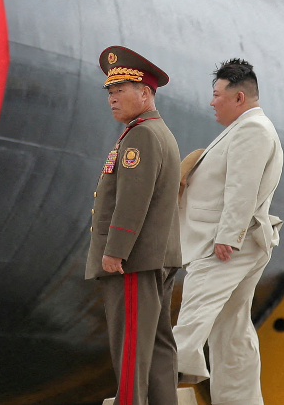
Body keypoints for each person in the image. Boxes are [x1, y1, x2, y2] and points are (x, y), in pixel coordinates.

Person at [173, 58, 283, 405]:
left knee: (192, 320)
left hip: (224, 246)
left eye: (217, 95)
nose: (211, 102)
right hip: (238, 241)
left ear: (239, 97)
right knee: (232, 333)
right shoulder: (246, 127)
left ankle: (149, 391)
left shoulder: (252, 130)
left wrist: (228, 237)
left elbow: (242, 186)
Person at [86, 46, 183, 405]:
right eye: (109, 92)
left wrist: (115, 251)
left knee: (131, 349)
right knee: (156, 347)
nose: (112, 98)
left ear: (145, 93)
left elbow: (133, 199)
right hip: (156, 256)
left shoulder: (141, 136)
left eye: (120, 90)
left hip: (134, 261)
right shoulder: (157, 131)